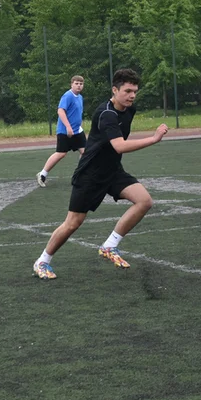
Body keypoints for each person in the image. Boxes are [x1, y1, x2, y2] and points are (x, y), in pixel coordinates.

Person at [32, 68, 169, 280]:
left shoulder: (129, 110)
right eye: (128, 90)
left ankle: (109, 245)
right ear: (115, 90)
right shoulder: (106, 114)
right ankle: (42, 261)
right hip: (90, 175)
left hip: (112, 171)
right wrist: (153, 139)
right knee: (72, 223)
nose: (132, 95)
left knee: (144, 201)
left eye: (135, 91)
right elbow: (119, 146)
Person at [36, 75, 86, 188]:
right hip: (65, 131)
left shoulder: (80, 97)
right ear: (71, 84)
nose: (79, 86)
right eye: (76, 83)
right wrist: (68, 127)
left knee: (86, 152)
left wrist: (79, 125)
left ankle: (79, 175)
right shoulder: (67, 96)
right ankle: (42, 174)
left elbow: (78, 114)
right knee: (61, 153)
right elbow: (61, 111)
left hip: (77, 131)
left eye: (81, 84)